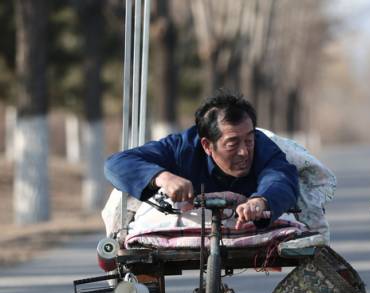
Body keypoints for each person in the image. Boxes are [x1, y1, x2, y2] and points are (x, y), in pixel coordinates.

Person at [104, 92, 299, 229]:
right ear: (206, 145)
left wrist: (260, 202)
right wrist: (163, 178)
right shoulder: (182, 148)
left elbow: (280, 178)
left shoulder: (263, 147)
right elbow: (117, 163)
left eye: (248, 140)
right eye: (232, 143)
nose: (244, 152)